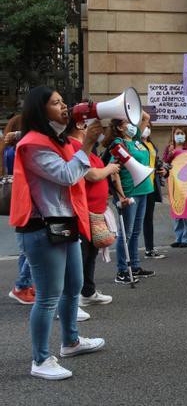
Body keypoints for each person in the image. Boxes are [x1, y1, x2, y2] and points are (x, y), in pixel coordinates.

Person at [11, 87, 106, 380]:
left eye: (64, 101)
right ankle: (40, 359)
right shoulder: (32, 145)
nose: (64, 106)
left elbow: (76, 172)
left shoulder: (58, 141)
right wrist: (87, 145)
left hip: (64, 224)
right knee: (48, 297)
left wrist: (85, 141)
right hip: (41, 228)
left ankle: (71, 341)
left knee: (74, 285)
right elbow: (66, 174)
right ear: (41, 111)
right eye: (56, 103)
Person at [68, 120, 118, 308]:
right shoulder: (75, 146)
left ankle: (88, 291)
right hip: (84, 211)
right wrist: (110, 169)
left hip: (95, 211)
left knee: (90, 254)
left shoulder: (86, 148)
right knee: (82, 255)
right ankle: (75, 297)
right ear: (81, 127)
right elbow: (91, 175)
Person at [103, 115, 155, 284]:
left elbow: (145, 118)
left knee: (135, 232)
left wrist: (132, 111)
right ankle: (122, 270)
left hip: (144, 190)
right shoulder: (120, 144)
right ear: (119, 127)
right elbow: (114, 170)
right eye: (127, 122)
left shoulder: (136, 140)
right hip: (130, 192)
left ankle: (135, 266)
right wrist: (121, 196)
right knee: (126, 233)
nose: (132, 124)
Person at [5, 115, 35, 305]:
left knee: (27, 249)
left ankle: (24, 284)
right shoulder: (21, 148)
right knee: (33, 247)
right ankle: (22, 285)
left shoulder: (12, 148)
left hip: (23, 200)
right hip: (27, 200)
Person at [163, 126, 187, 248]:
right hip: (174, 183)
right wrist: (170, 154)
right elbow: (165, 163)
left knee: (186, 211)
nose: (180, 135)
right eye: (177, 133)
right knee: (177, 211)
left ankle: (186, 239)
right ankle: (178, 237)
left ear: (185, 135)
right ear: (173, 135)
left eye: (182, 133)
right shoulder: (169, 148)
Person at [140, 123, 166, 259]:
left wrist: (163, 169)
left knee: (148, 218)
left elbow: (157, 162)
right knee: (135, 220)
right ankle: (129, 250)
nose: (147, 129)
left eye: (149, 127)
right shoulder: (135, 143)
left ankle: (149, 248)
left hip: (151, 185)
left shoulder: (151, 144)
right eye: (145, 126)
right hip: (139, 186)